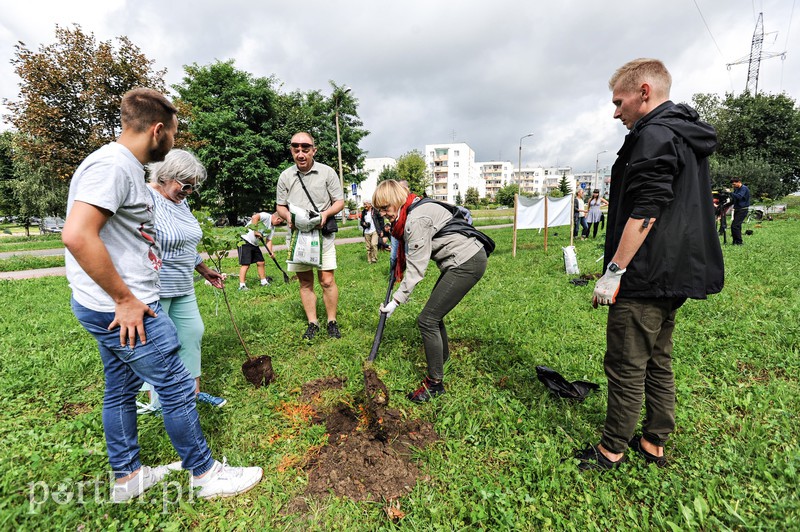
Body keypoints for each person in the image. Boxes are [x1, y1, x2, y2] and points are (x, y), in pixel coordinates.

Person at [62, 88, 262, 501]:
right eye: (172, 133)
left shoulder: (117, 165)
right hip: (123, 307)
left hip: (109, 305)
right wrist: (124, 299)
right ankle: (205, 475)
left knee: (119, 387)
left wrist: (199, 269)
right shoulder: (114, 167)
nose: (173, 141)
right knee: (173, 383)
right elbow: (77, 235)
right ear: (157, 131)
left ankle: (128, 477)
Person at [575, 59, 724, 470]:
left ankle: (611, 450)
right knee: (658, 358)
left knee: (626, 363)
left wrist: (614, 272)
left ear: (644, 92)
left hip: (645, 272)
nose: (615, 112)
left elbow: (646, 209)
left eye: (619, 101)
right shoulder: (683, 132)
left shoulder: (654, 134)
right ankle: (654, 441)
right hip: (675, 272)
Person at [373, 180, 488, 403]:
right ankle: (442, 359)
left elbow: (416, 268)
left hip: (466, 263)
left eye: (386, 207)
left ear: (397, 200)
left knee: (427, 320)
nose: (384, 213)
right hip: (463, 260)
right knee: (434, 315)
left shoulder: (416, 219)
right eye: (380, 209)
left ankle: (435, 384)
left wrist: (395, 302)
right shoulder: (413, 207)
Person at [136, 149, 227, 414]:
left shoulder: (180, 202)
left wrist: (203, 269)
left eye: (192, 188)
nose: (188, 192)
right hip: (155, 287)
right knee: (162, 344)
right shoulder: (145, 197)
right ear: (166, 176)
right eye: (185, 185)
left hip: (183, 283)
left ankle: (193, 392)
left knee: (192, 333)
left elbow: (185, 243)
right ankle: (159, 400)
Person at [275, 132, 344, 340]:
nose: (301, 153)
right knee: (305, 282)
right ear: (291, 150)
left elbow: (339, 202)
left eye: (305, 148)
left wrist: (325, 214)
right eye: (296, 148)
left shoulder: (327, 172)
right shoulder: (285, 176)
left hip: (322, 234)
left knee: (327, 280)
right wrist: (287, 217)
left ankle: (332, 321)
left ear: (314, 150)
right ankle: (312, 323)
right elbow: (280, 206)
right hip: (298, 237)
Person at [238, 211, 285, 290]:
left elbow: (269, 240)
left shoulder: (272, 228)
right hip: (244, 240)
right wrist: (255, 231)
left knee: (261, 262)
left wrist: (271, 252)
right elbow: (254, 217)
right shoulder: (266, 216)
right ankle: (242, 285)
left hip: (254, 244)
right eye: (280, 222)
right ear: (278, 219)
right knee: (246, 264)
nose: (279, 224)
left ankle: (264, 282)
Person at [729, 177, 751, 245]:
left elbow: (739, 197)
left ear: (739, 182)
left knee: (734, 226)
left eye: (734, 184)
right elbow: (734, 199)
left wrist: (730, 193)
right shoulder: (736, 189)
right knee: (737, 226)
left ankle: (739, 242)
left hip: (743, 209)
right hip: (737, 209)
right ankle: (735, 242)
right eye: (732, 185)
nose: (733, 186)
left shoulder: (744, 188)